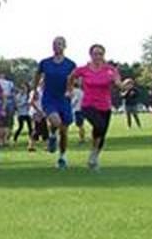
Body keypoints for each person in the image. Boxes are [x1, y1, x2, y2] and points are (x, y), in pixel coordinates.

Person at [67, 43, 120, 170]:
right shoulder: (83, 69)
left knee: (102, 133)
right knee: (99, 126)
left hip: (105, 106)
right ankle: (94, 153)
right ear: (90, 55)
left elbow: (118, 81)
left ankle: (94, 156)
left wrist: (122, 85)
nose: (98, 56)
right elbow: (71, 77)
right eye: (95, 54)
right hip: (88, 105)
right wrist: (70, 91)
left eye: (100, 54)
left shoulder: (110, 69)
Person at [35, 37, 77, 168]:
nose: (56, 46)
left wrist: (70, 91)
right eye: (54, 44)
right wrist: (34, 90)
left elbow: (72, 80)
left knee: (64, 130)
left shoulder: (70, 64)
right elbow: (37, 76)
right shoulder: (45, 63)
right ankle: (52, 134)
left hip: (63, 98)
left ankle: (62, 157)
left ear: (65, 46)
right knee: (56, 121)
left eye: (59, 44)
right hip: (49, 98)